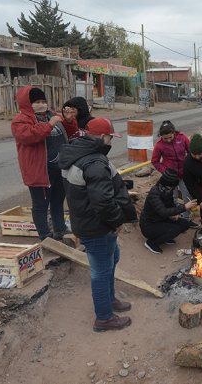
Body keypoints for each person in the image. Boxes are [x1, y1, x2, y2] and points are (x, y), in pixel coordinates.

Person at [58, 117, 138, 332]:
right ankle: (104, 318)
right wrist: (117, 221)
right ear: (103, 137)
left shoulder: (81, 154)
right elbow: (103, 202)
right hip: (97, 226)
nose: (111, 141)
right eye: (110, 137)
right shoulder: (94, 163)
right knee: (101, 271)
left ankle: (110, 300)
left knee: (113, 258)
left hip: (89, 222)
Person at [11, 86, 75, 241]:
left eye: (43, 101)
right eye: (37, 102)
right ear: (27, 103)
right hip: (39, 170)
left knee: (58, 200)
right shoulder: (20, 121)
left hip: (58, 168)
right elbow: (29, 136)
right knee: (41, 204)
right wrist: (49, 125)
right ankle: (45, 235)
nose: (41, 104)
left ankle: (60, 228)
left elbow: (71, 132)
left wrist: (68, 120)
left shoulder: (51, 115)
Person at [140, 169, 198, 254]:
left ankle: (165, 237)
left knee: (185, 224)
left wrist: (175, 214)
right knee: (175, 229)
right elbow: (163, 212)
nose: (174, 188)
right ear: (168, 183)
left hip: (161, 219)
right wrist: (185, 207)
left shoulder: (167, 190)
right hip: (149, 224)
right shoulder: (154, 193)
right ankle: (151, 243)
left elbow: (170, 204)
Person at [151, 120, 192, 214]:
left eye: (170, 137)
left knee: (187, 196)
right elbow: (154, 161)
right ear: (161, 136)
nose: (168, 140)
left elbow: (191, 152)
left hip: (183, 174)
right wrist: (165, 171)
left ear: (174, 133)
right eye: (165, 138)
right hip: (169, 178)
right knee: (172, 197)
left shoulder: (182, 138)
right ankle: (174, 215)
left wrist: (189, 166)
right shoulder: (159, 145)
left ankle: (186, 217)